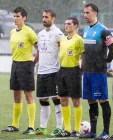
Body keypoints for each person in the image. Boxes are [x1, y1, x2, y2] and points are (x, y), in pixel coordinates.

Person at [79, 3, 113, 139]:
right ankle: (92, 132)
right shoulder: (86, 30)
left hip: (99, 73)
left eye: (88, 13)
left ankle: (105, 132)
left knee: (102, 100)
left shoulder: (103, 30)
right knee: (91, 101)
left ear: (95, 13)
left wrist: (105, 63)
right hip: (88, 72)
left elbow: (112, 49)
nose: (85, 16)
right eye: (84, 13)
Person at [1, 6, 37, 134]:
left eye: (18, 16)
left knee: (28, 95)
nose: (15, 19)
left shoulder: (29, 32)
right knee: (16, 95)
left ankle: (31, 126)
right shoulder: (12, 32)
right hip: (15, 65)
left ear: (24, 18)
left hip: (26, 65)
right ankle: (15, 125)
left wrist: (33, 63)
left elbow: (39, 49)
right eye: (14, 16)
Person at [29, 9, 64, 136]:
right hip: (41, 71)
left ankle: (59, 127)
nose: (44, 19)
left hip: (54, 71)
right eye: (43, 17)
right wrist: (33, 63)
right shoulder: (40, 34)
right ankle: (42, 128)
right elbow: (39, 52)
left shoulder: (58, 34)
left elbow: (64, 50)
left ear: (53, 18)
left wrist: (63, 68)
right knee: (43, 100)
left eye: (47, 17)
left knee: (56, 99)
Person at [55, 17, 85, 137]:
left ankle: (77, 129)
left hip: (74, 71)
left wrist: (80, 71)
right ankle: (67, 129)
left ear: (75, 26)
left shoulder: (79, 40)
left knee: (76, 100)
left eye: (69, 24)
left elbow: (84, 57)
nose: (66, 25)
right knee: (63, 99)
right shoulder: (62, 40)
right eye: (65, 23)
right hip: (62, 71)